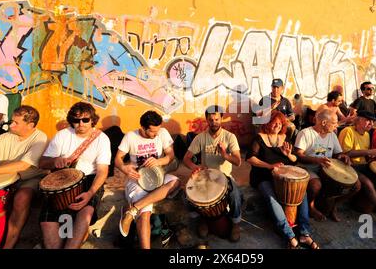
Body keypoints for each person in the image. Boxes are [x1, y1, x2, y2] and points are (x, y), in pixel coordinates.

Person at [39, 102, 111, 249]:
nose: (81, 124)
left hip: (89, 178)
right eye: (76, 120)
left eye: (85, 120)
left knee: (85, 212)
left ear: (92, 120)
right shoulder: (62, 135)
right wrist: (54, 161)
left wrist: (90, 193)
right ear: (71, 121)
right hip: (62, 179)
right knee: (47, 221)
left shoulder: (102, 138)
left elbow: (103, 171)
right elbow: (42, 163)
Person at [246, 111, 319, 249]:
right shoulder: (259, 138)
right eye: (274, 122)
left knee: (302, 193)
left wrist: (289, 155)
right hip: (263, 176)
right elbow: (250, 158)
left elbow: (295, 160)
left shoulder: (285, 137)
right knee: (272, 199)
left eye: (280, 123)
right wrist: (269, 166)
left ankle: (304, 233)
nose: (277, 125)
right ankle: (290, 235)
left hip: (285, 177)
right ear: (268, 123)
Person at [115, 110, 180, 249]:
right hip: (138, 179)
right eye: (152, 132)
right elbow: (117, 159)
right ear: (143, 128)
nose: (156, 135)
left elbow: (171, 155)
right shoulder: (130, 136)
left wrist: (160, 161)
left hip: (157, 176)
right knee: (145, 214)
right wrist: (125, 168)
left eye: (157, 131)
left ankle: (132, 210)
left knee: (176, 181)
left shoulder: (162, 132)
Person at [183, 105, 243, 242]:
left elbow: (238, 161)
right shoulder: (200, 138)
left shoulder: (229, 137)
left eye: (217, 119)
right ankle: (201, 220)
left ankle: (235, 223)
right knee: (187, 196)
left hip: (224, 176)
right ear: (207, 120)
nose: (214, 122)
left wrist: (225, 155)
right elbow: (186, 159)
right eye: (211, 120)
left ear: (221, 118)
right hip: (205, 176)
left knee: (235, 195)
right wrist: (196, 167)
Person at [0, 105, 48, 248]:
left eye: (16, 122)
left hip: (29, 178)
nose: (11, 125)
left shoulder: (40, 138)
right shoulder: (5, 137)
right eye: (12, 121)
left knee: (22, 198)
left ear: (30, 125)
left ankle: (9, 244)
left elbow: (23, 166)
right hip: (5, 178)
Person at [294, 109, 360, 222]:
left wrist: (343, 157)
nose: (336, 126)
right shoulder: (305, 133)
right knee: (316, 185)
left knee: (356, 185)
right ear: (324, 122)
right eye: (334, 123)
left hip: (327, 168)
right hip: (308, 167)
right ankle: (311, 206)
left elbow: (338, 153)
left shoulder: (332, 135)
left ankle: (334, 205)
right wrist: (317, 160)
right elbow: (299, 155)